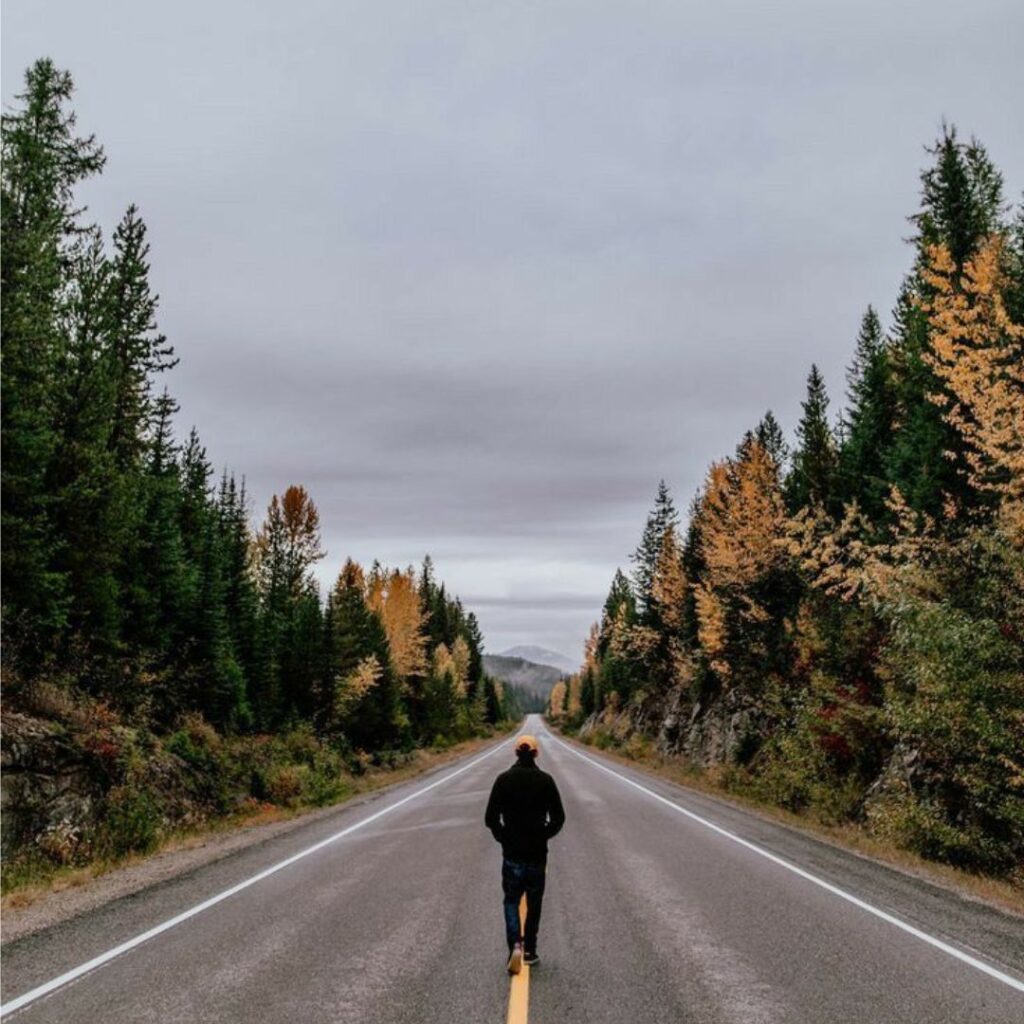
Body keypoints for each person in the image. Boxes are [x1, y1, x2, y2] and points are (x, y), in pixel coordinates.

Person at [484, 733, 565, 974]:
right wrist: (543, 834)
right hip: (537, 853)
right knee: (534, 902)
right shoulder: (546, 781)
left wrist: (503, 837)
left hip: (512, 853)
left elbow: (490, 818)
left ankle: (515, 946)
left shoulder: (503, 780)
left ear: (515, 752)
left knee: (511, 900)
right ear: (536, 753)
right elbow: (559, 818)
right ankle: (530, 950)